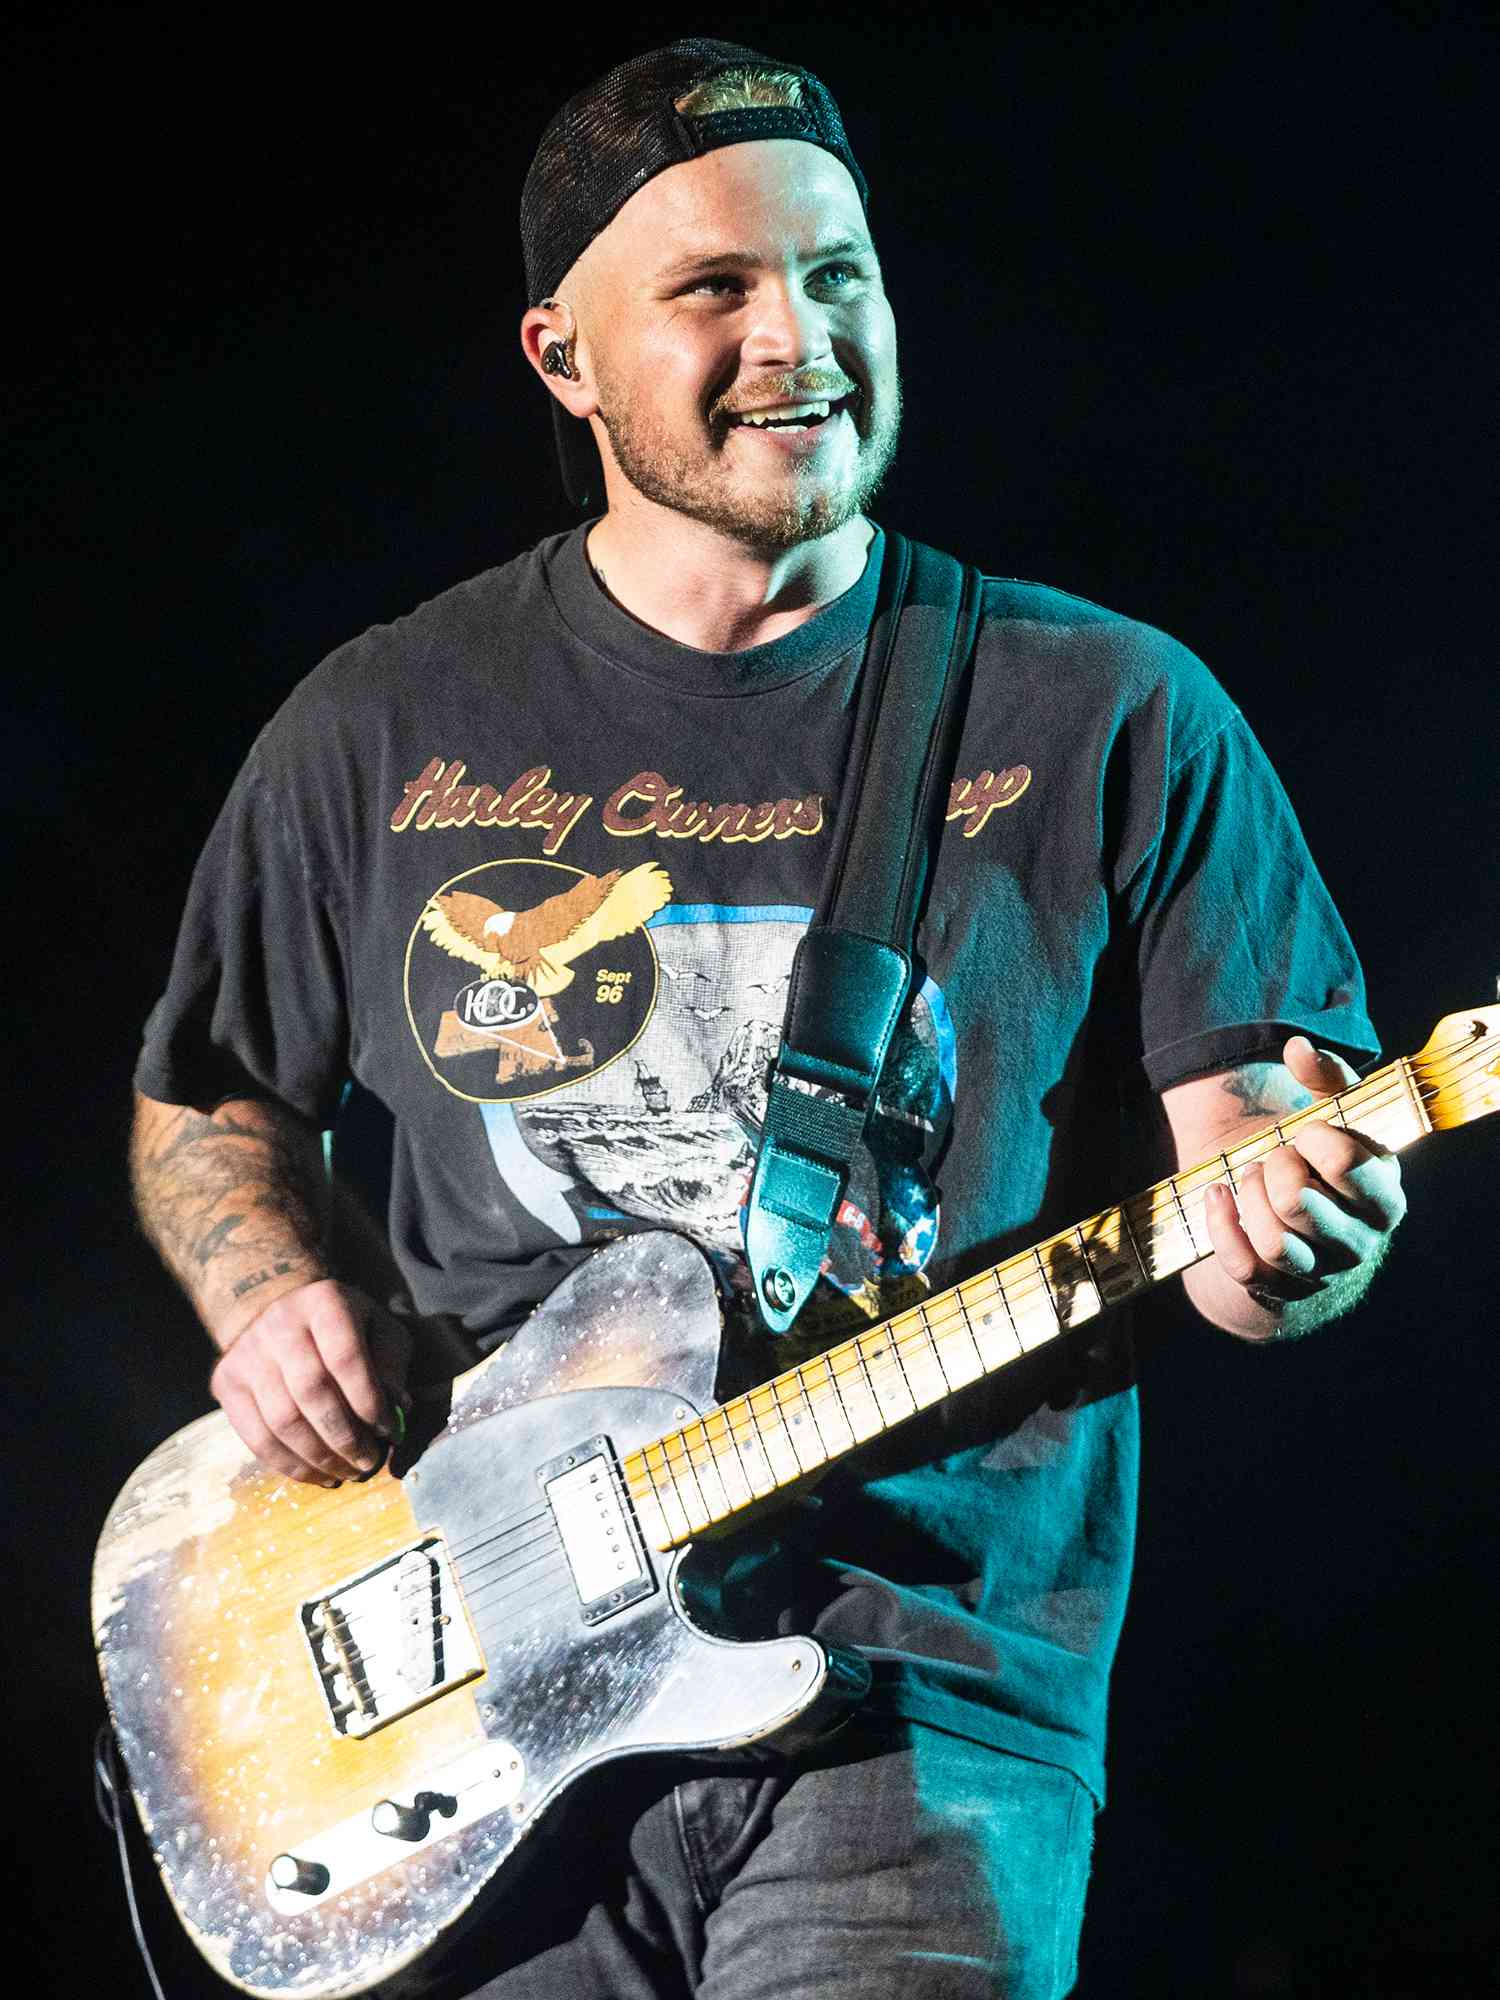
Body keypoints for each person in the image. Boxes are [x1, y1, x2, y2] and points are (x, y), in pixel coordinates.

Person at [128, 39, 1406, 2000]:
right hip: (473, 1702)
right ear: (561, 357)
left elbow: (1251, 1210)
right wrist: (266, 1290)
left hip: (931, 1703)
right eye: (714, 288)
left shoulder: (1114, 714)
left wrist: (1292, 1230)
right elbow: (208, 1104)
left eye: (839, 275)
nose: (797, 338)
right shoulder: (381, 723)